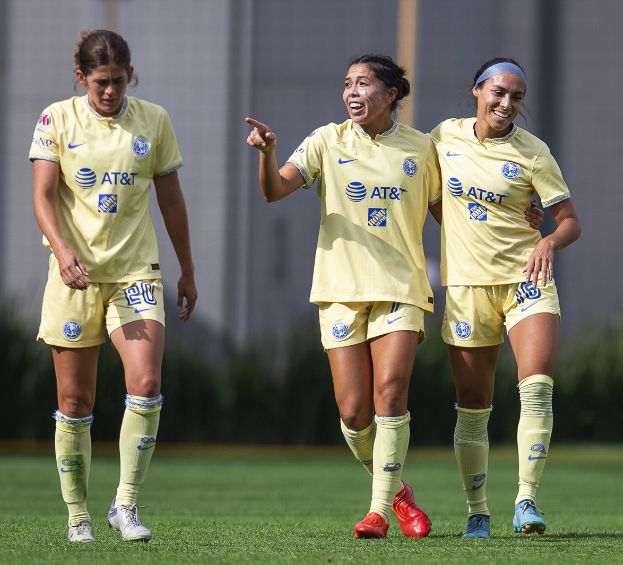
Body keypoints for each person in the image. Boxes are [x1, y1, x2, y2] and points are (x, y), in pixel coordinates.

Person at [244, 54, 437, 540]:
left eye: (364, 84)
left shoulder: (422, 148)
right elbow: (274, 191)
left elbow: (450, 217)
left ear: (391, 94)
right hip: (339, 291)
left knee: (390, 393)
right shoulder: (326, 141)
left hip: (401, 287)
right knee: (353, 413)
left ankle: (376, 514)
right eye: (347, 84)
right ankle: (397, 494)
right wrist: (268, 154)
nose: (352, 92)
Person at [30, 29, 197, 543]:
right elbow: (41, 196)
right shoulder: (56, 118)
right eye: (100, 82)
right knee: (76, 402)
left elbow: (171, 201)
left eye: (119, 81)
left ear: (130, 76)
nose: (110, 92)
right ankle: (77, 514)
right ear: (81, 78)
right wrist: (62, 252)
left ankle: (125, 504)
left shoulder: (154, 120)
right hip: (74, 276)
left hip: (136, 274)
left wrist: (187, 268)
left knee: (146, 384)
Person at [431, 57, 582, 538]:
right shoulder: (442, 137)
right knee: (473, 405)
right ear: (476, 90)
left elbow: (571, 222)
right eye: (498, 92)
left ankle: (526, 501)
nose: (506, 103)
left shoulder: (535, 152)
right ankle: (477, 510)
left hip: (527, 281)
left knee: (536, 387)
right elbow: (425, 192)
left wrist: (547, 240)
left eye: (516, 97)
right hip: (466, 288)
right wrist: (456, 229)